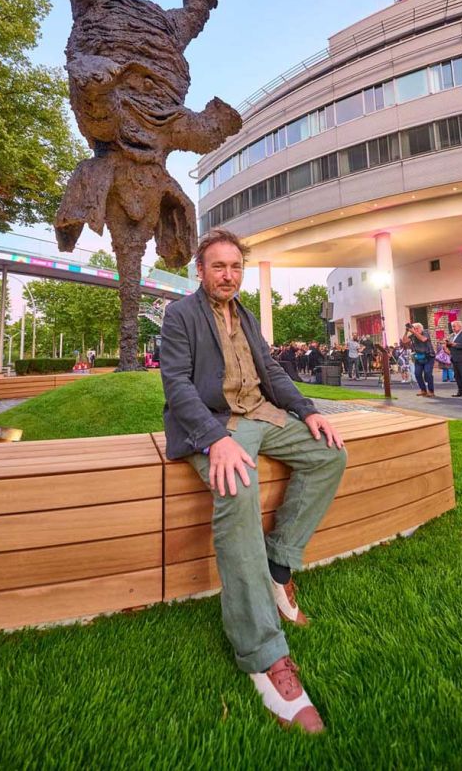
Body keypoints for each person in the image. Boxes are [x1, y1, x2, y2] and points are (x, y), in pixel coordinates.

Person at [160, 228, 347, 733]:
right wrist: (212, 439)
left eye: (235, 267)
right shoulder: (179, 315)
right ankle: (263, 653)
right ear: (201, 271)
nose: (228, 275)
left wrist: (308, 410)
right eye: (218, 266)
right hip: (216, 424)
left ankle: (278, 566)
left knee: (330, 453)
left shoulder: (245, 315)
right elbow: (176, 384)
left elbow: (272, 372)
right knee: (237, 486)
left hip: (261, 414)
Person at [401, 322, 436, 397]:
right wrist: (406, 331)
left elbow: (423, 339)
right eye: (414, 328)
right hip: (419, 357)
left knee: (427, 373)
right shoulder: (413, 335)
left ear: (421, 328)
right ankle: (423, 390)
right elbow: (404, 341)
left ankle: (431, 391)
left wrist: (413, 331)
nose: (415, 330)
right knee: (417, 373)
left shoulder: (425, 332)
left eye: (417, 328)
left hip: (429, 356)